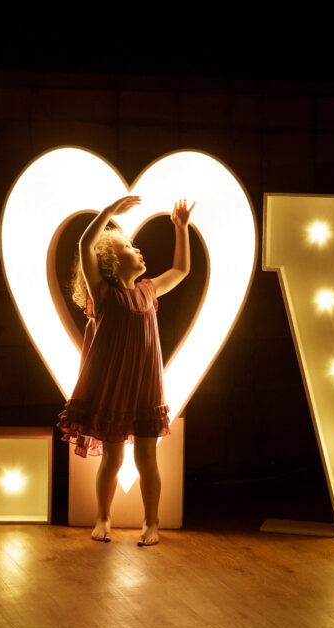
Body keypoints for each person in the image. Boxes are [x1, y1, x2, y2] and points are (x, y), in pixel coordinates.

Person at [58, 195, 195, 546]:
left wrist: (181, 229)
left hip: (147, 386)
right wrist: (107, 214)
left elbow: (181, 271)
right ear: (110, 262)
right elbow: (84, 242)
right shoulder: (103, 292)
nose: (138, 250)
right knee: (113, 458)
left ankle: (153, 523)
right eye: (129, 247)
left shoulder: (149, 290)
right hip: (114, 386)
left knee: (147, 457)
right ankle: (103, 517)